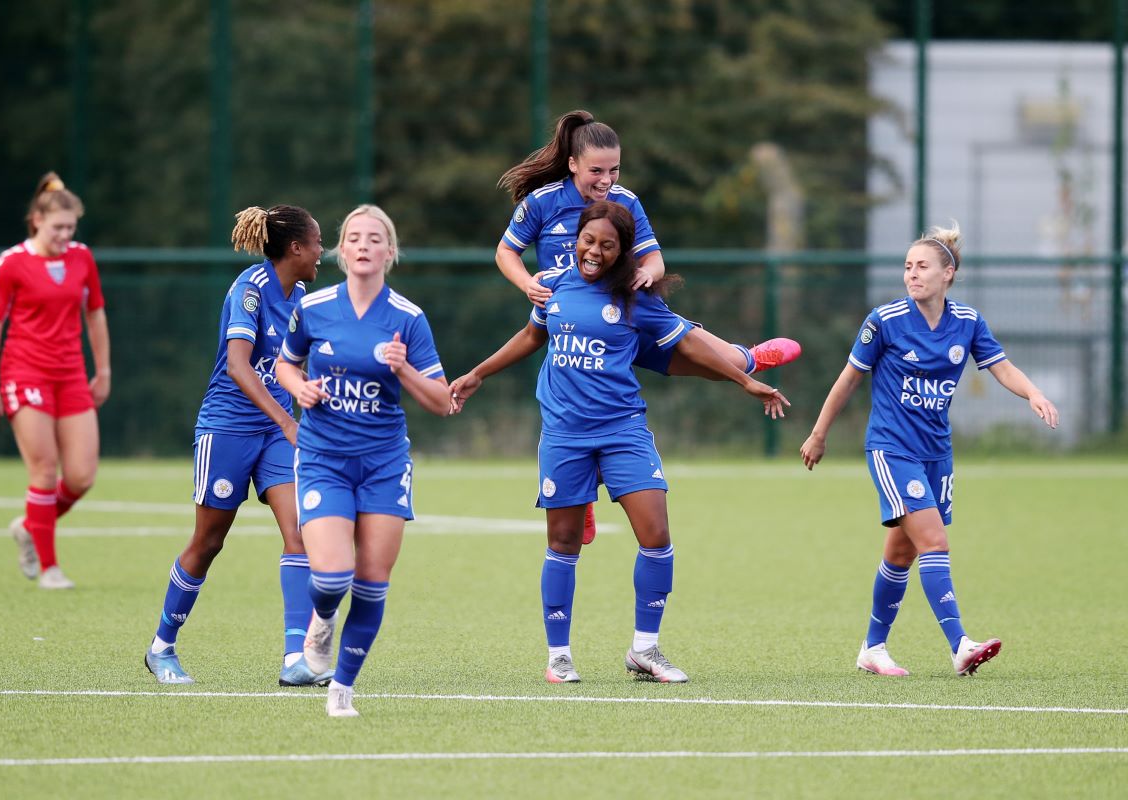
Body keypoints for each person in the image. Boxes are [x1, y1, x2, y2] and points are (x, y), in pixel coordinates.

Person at [451, 201, 788, 684]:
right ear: (576, 241)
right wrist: (478, 374)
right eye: (588, 241)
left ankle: (645, 650)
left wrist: (744, 380)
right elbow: (530, 336)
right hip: (565, 435)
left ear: (622, 252)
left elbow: (688, 345)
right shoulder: (554, 285)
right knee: (563, 544)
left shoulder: (636, 297)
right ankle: (559, 656)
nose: (594, 251)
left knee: (656, 536)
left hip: (622, 430)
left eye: (607, 245)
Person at [496, 109, 802, 544]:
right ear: (572, 164)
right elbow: (505, 252)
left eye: (614, 169)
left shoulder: (627, 201)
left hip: (626, 320)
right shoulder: (542, 203)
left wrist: (649, 274)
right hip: (578, 331)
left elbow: (653, 258)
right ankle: (578, 500)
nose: (606, 179)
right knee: (574, 423)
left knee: (722, 360)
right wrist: (528, 283)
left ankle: (749, 358)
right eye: (596, 170)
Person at [799, 222, 1059, 677]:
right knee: (935, 540)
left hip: (937, 452)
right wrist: (819, 433)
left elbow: (1001, 367)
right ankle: (959, 643)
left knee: (902, 553)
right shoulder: (886, 320)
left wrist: (1033, 393)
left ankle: (872, 649)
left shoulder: (968, 322)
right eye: (907, 266)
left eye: (922, 266)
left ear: (948, 274)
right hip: (892, 448)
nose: (912, 274)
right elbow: (847, 380)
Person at [275, 205, 451, 717]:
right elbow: (287, 363)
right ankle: (321, 624)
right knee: (331, 578)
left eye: (375, 239)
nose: (364, 246)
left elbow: (441, 401)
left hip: (383, 463)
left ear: (389, 253)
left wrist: (404, 371)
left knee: (372, 583)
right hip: (324, 457)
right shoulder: (315, 308)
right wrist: (300, 388)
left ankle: (341, 689)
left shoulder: (408, 318)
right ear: (341, 250)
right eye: (354, 238)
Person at [143, 205, 328, 687]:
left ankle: (296, 658)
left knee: (301, 535)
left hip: (275, 434)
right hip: (227, 428)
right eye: (317, 243)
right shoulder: (250, 290)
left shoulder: (302, 295)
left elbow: (287, 365)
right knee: (208, 542)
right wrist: (289, 419)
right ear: (294, 248)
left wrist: (315, 389)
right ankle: (162, 646)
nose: (321, 252)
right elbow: (239, 368)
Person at [0, 172, 111, 590]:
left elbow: (95, 315)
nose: (65, 235)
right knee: (45, 468)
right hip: (24, 372)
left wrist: (102, 370)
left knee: (81, 476)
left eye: (71, 228)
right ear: (36, 219)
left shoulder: (82, 258)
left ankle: (28, 525)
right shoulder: (12, 262)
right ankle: (50, 569)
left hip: (70, 374)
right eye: (58, 227)